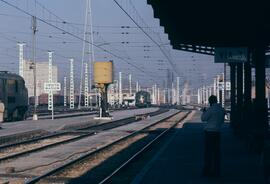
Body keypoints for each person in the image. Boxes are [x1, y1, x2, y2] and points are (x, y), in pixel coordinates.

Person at [201, 95, 225, 177]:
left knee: (208, 153)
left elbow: (203, 118)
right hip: (217, 133)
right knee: (216, 153)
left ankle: (207, 171)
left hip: (209, 133)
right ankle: (216, 171)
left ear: (210, 101)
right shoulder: (222, 109)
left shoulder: (211, 109)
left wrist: (204, 111)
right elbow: (222, 121)